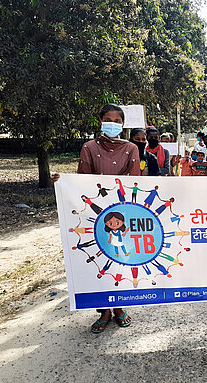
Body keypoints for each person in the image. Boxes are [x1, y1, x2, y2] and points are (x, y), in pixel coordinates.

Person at [52, 103, 136, 334]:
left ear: (123, 124)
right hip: (96, 215)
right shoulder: (89, 147)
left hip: (122, 214)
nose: (112, 124)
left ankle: (119, 308)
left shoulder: (131, 149)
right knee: (100, 261)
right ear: (100, 122)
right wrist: (63, 182)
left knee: (120, 261)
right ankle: (104, 311)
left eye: (117, 121)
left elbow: (135, 182)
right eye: (108, 120)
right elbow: (83, 182)